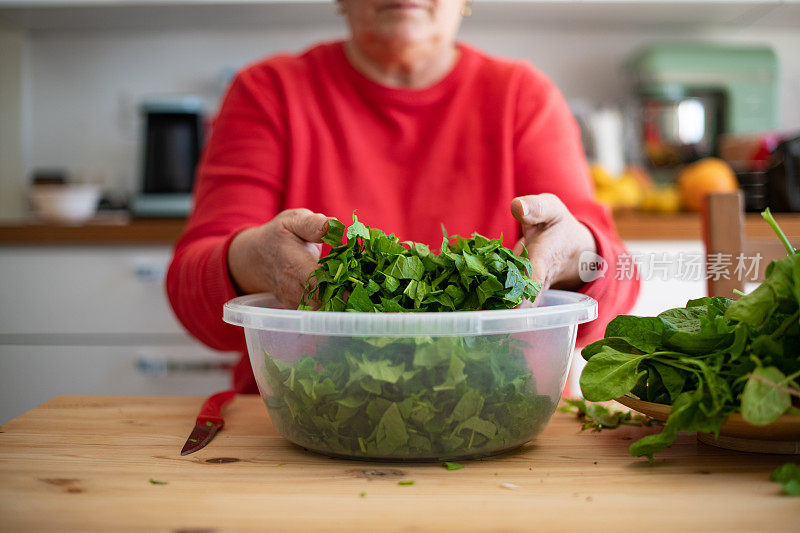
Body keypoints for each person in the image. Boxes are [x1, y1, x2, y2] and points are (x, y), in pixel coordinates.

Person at [166, 0, 640, 393]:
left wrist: (577, 256)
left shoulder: (522, 97)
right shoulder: (268, 92)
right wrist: (254, 258)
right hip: (306, 407)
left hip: (494, 406)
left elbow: (619, 279)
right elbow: (190, 288)